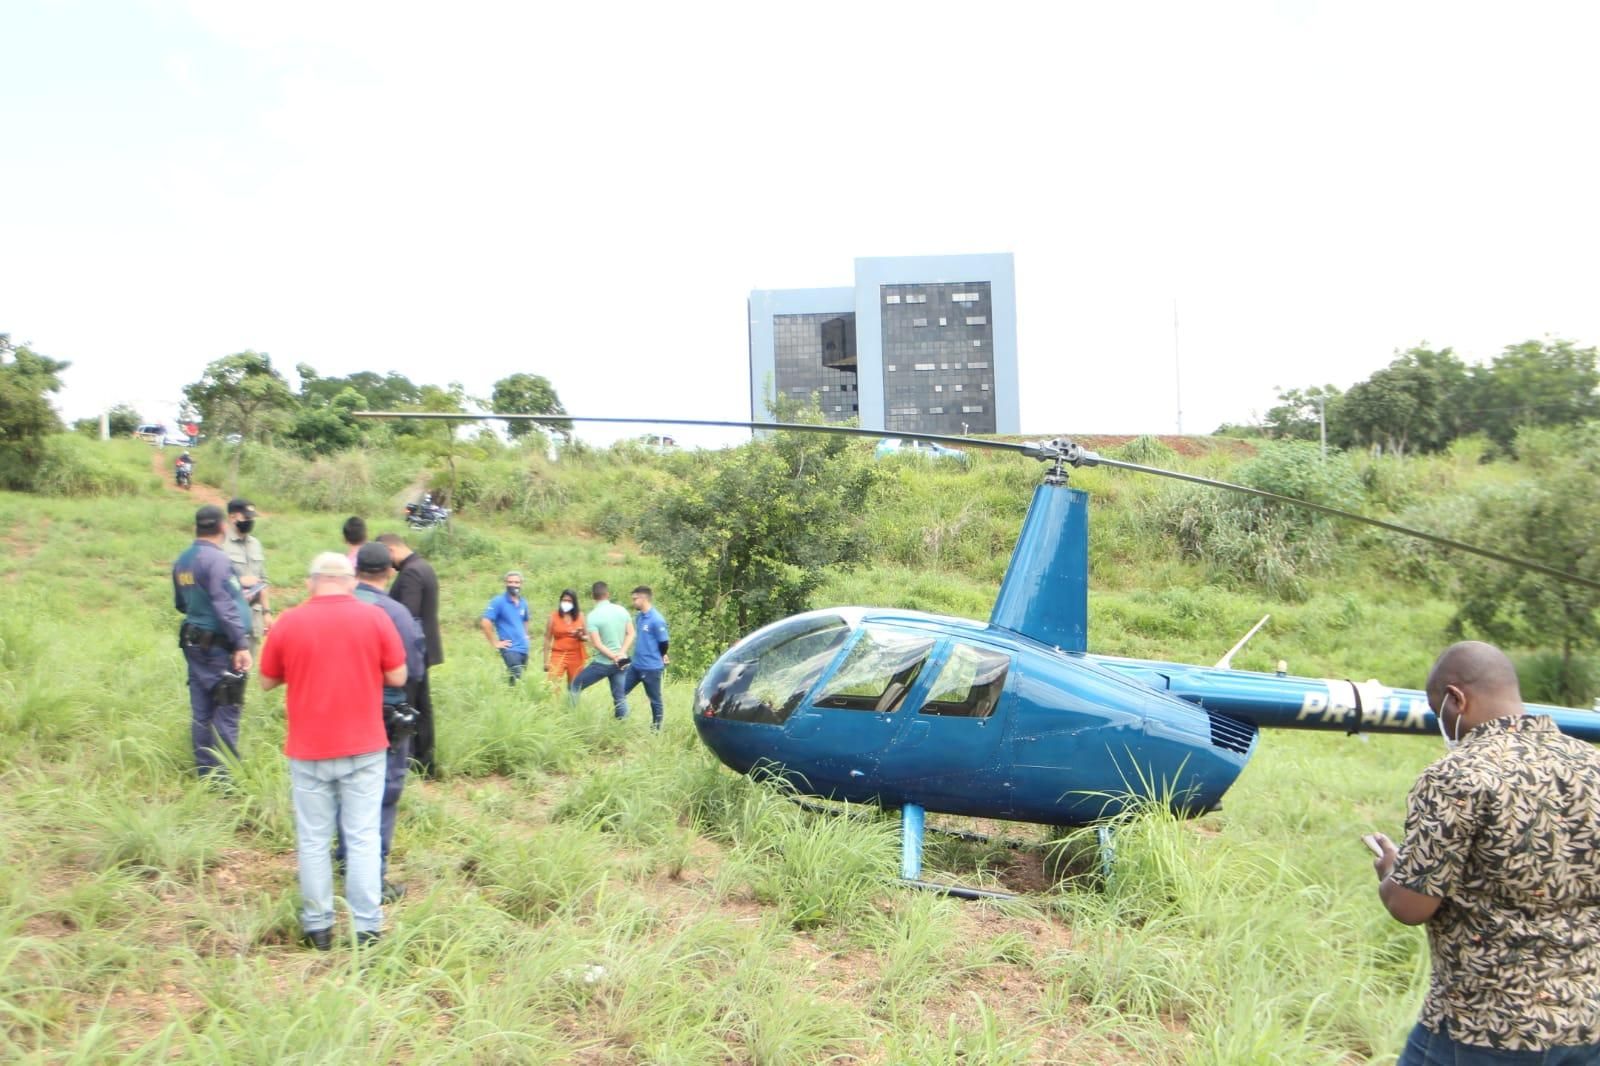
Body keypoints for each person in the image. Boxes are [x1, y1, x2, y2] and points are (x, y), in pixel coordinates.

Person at [1365, 641, 1600, 1062]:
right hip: (1587, 1022)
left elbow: (1410, 905)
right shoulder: (1591, 766)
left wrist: (1391, 872)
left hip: (1482, 1026)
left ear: (1457, 699)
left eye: (1441, 712)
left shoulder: (1456, 776)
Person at [259, 552, 406, 951]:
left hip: (308, 748)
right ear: (350, 580)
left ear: (311, 582)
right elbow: (398, 674)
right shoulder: (375, 618)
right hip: (364, 746)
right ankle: (366, 927)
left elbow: (267, 680)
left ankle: (318, 926)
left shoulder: (289, 621)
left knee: (312, 838)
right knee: (361, 837)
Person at [335, 543, 426, 904]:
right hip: (383, 717)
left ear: (354, 571)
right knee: (384, 793)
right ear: (389, 571)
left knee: (343, 783)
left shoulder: (333, 608)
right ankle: (372, 876)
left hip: (338, 712)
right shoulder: (397, 614)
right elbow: (413, 669)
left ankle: (344, 860)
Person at [172, 505, 253, 778]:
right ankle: (225, 779)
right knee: (227, 709)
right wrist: (241, 644)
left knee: (202, 709)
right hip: (219, 646)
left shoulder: (183, 560)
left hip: (193, 644)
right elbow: (224, 603)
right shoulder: (217, 560)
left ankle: (205, 773)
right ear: (222, 527)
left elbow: (181, 603)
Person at [378, 533, 443, 777]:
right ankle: (425, 763)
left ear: (391, 549)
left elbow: (406, 616)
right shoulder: (424, 566)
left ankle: (411, 762)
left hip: (411, 651)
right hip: (423, 649)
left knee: (408, 706)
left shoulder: (411, 573)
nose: (388, 566)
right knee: (423, 706)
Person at [569, 581, 633, 716]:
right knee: (620, 697)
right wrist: (620, 654)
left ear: (593, 595)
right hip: (623, 661)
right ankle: (622, 726)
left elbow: (598, 644)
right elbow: (631, 633)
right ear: (608, 594)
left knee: (574, 686)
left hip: (603, 663)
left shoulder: (593, 616)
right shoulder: (622, 610)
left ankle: (571, 717)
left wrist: (613, 657)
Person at [621, 586, 670, 730]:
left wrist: (661, 655)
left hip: (651, 668)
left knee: (655, 700)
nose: (633, 602)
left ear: (644, 598)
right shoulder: (639, 617)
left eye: (635, 599)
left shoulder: (657, 620)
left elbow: (664, 643)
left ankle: (656, 730)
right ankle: (621, 721)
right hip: (636, 666)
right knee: (620, 692)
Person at [223, 498, 271, 646]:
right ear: (232, 517)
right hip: (231, 619)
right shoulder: (221, 544)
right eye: (246, 517)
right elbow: (213, 582)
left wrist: (267, 612)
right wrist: (239, 581)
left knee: (248, 668)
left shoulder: (255, 544)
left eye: (251, 518)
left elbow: (263, 581)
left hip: (253, 619)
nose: (250, 521)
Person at [480, 570, 532, 683]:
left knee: (518, 681)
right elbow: (485, 622)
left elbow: (526, 620)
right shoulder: (498, 602)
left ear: (521, 584)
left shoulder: (523, 603)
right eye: (510, 582)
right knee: (517, 676)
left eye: (516, 582)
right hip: (510, 648)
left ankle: (510, 698)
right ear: (505, 583)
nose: (513, 585)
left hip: (523, 648)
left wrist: (526, 635)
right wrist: (495, 643)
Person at [542, 589, 587, 685]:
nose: (566, 603)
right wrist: (545, 661)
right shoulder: (553, 616)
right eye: (564, 600)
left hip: (576, 655)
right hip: (558, 654)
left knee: (575, 685)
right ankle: (554, 701)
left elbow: (587, 637)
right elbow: (547, 638)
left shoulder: (580, 616)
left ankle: (572, 700)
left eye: (569, 601)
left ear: (574, 603)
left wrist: (580, 636)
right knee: (552, 684)